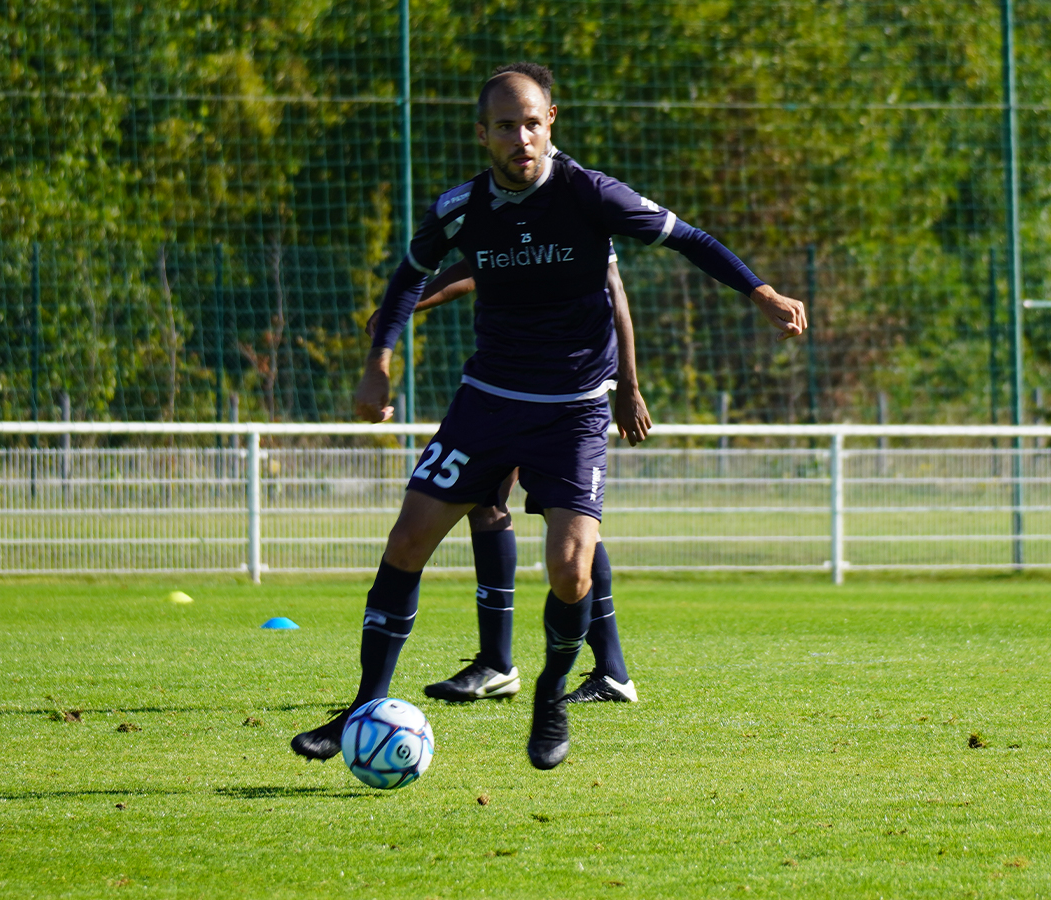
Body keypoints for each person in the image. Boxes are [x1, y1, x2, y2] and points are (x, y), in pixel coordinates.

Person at [292, 61, 805, 771]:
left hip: (571, 414)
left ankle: (551, 692)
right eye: (505, 126)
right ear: (484, 135)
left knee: (571, 572)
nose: (520, 137)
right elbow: (410, 274)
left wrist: (762, 292)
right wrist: (378, 361)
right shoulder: (462, 206)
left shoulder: (591, 194)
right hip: (488, 402)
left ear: (551, 122)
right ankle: (361, 706)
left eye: (531, 122)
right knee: (408, 540)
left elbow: (689, 239)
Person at [366, 252, 645, 705]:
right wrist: (404, 306)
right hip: (514, 384)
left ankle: (551, 664)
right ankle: (509, 663)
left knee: (568, 529)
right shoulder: (502, 208)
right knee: (497, 501)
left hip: (559, 391)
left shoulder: (572, 202)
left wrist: (627, 384)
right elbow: (477, 267)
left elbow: (612, 285)